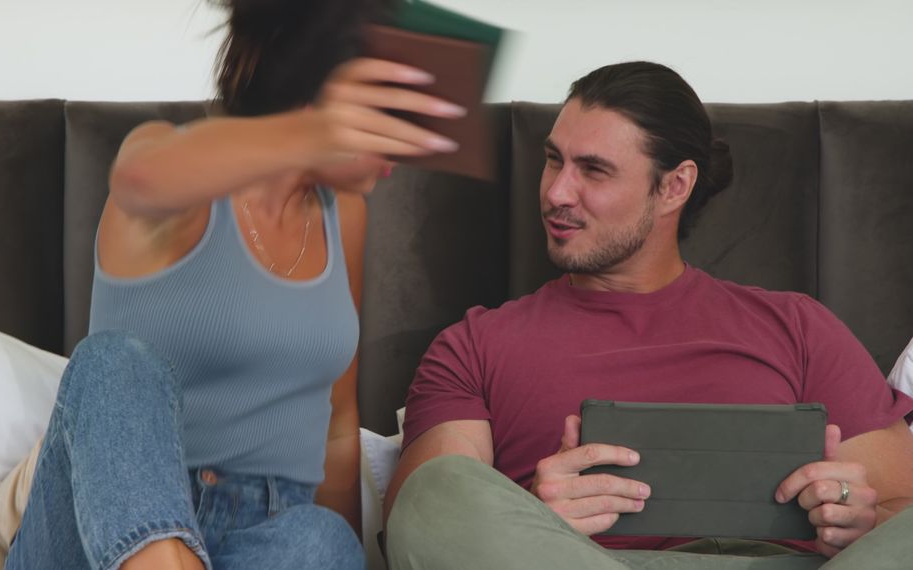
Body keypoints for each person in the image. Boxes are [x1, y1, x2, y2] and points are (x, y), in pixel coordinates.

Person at [383, 61, 913, 570]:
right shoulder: (473, 345)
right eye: (553, 159)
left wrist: (858, 520)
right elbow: (424, 518)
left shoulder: (797, 327)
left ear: (674, 186)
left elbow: (901, 509)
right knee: (436, 490)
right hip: (567, 561)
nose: (557, 192)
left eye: (593, 169)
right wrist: (532, 512)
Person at [0, 1, 469, 569]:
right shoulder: (171, 170)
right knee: (113, 364)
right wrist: (312, 129)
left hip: (264, 534)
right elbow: (140, 178)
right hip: (103, 522)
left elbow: (338, 428)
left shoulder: (342, 214)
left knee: (323, 541)